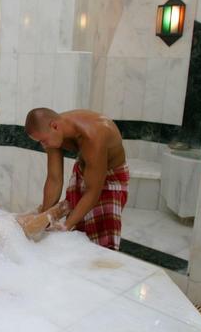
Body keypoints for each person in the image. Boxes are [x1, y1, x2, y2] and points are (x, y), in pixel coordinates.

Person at [24, 107, 129, 250]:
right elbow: (54, 178)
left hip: (111, 176)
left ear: (54, 126)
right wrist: (45, 218)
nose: (43, 145)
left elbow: (93, 191)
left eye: (43, 141)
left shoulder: (94, 133)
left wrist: (65, 226)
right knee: (78, 230)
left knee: (102, 239)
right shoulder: (52, 132)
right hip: (84, 169)